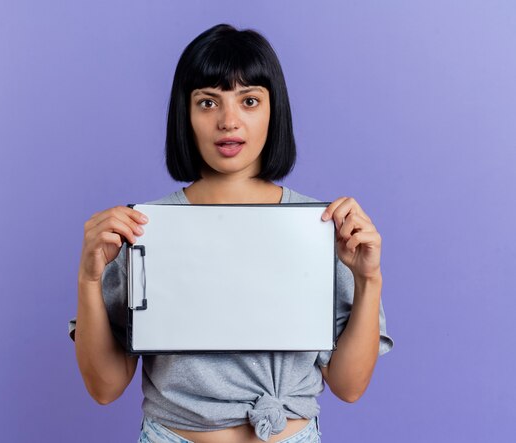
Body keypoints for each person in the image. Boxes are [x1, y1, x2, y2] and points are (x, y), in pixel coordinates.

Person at [69, 24, 393, 443]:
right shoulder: (143, 229)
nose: (228, 121)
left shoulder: (321, 226)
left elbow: (349, 386)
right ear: (185, 115)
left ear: (273, 111)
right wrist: (88, 279)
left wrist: (370, 278)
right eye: (207, 102)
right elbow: (105, 387)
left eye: (250, 101)